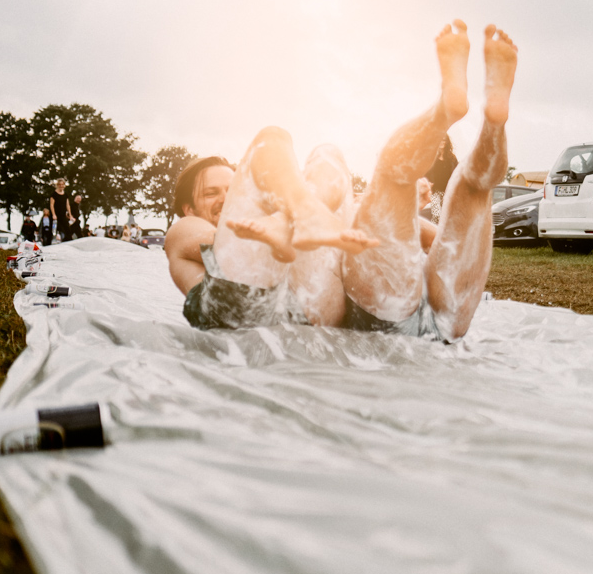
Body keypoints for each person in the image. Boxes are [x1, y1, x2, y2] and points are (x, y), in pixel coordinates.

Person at [165, 20, 517, 340]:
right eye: (212, 193)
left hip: (386, 316)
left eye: (232, 188)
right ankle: (462, 115)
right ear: (188, 206)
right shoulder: (183, 229)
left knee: (426, 182)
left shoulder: (281, 228)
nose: (226, 198)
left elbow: (430, 237)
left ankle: (473, 118)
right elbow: (213, 240)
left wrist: (405, 222)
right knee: (445, 186)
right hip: (240, 308)